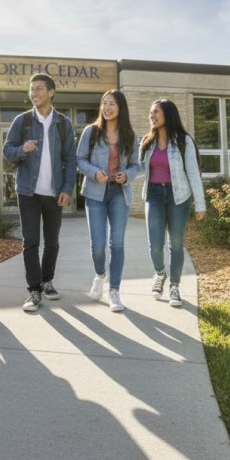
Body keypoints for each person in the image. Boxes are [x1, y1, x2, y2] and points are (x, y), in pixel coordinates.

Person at [3, 73, 77, 312]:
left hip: (55, 192)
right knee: (31, 242)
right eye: (31, 89)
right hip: (28, 191)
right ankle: (34, 290)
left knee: (52, 242)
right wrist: (22, 150)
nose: (34, 93)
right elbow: (7, 151)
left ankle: (47, 281)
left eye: (39, 89)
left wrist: (67, 188)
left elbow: (70, 160)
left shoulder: (63, 124)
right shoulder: (22, 121)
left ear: (51, 92)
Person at [76, 90, 140, 312]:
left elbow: (136, 165)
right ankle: (99, 274)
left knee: (117, 244)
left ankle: (114, 291)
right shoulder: (91, 132)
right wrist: (94, 172)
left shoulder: (129, 135)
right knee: (99, 245)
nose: (107, 107)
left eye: (112, 104)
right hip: (95, 193)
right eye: (105, 103)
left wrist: (127, 175)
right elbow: (80, 160)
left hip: (119, 194)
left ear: (120, 108)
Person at [139, 99, 206, 308]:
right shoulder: (147, 141)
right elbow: (139, 168)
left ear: (168, 114)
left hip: (179, 197)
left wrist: (200, 203)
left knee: (176, 243)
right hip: (154, 195)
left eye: (156, 112)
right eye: (151, 113)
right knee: (155, 244)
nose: (152, 116)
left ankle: (175, 286)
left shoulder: (183, 140)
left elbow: (193, 173)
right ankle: (160, 273)